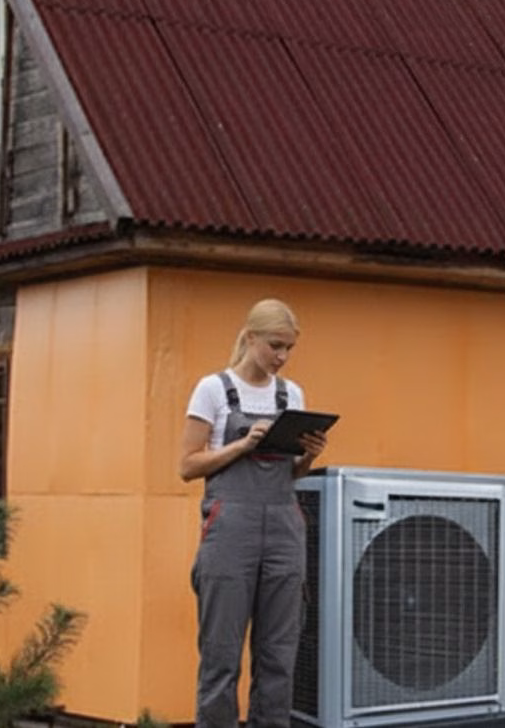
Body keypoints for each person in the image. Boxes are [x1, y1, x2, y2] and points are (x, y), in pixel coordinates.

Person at [179, 299, 328, 728]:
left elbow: (292, 474)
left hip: (284, 527)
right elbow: (187, 466)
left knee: (279, 655)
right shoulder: (213, 389)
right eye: (275, 346)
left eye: (289, 349)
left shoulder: (291, 394)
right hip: (229, 531)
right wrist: (242, 446)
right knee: (221, 657)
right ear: (250, 338)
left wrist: (309, 457)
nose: (281, 357)